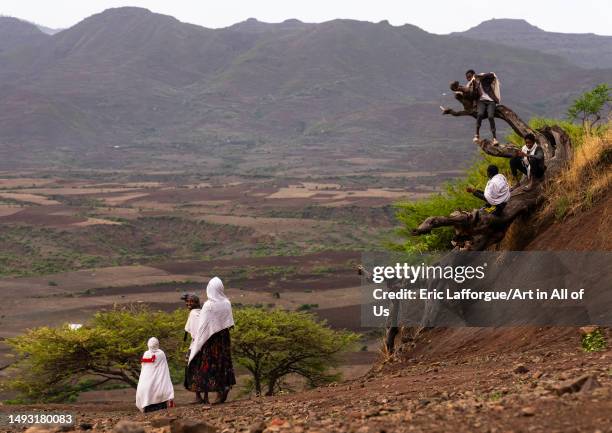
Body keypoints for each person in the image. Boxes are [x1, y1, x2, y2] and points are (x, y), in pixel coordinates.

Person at [185, 277, 236, 405]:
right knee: (224, 363)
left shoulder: (209, 305)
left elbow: (203, 327)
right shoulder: (226, 302)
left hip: (211, 340)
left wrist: (198, 343)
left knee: (209, 365)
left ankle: (217, 390)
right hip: (224, 338)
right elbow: (229, 323)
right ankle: (223, 388)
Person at [136, 337, 175, 413]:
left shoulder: (146, 354)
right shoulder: (161, 353)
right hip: (159, 385)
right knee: (158, 390)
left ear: (148, 345)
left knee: (148, 390)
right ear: (158, 344)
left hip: (146, 384)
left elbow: (143, 366)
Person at [465, 69, 501, 144]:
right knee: (480, 114)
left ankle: (494, 138)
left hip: (491, 101)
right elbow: (473, 95)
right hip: (481, 101)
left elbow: (492, 75)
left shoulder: (484, 79)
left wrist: (479, 76)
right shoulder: (472, 85)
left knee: (491, 116)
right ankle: (477, 135)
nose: (469, 79)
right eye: (468, 78)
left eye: (470, 77)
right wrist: (474, 85)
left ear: (474, 75)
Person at [181, 293, 202, 403]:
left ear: (196, 303)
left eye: (190, 301)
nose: (188, 303)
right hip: (201, 344)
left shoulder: (194, 314)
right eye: (187, 301)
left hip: (195, 345)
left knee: (192, 368)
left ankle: (198, 396)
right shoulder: (201, 312)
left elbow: (193, 332)